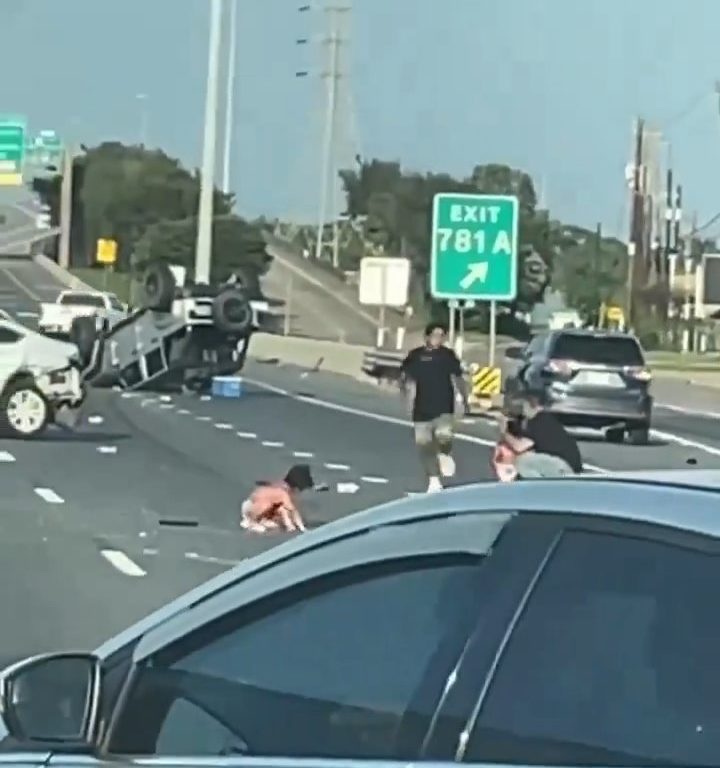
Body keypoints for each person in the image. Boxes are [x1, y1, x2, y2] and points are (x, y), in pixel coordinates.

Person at [400, 322, 467, 493]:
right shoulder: (416, 356)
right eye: (435, 335)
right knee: (424, 445)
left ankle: (445, 453)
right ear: (427, 337)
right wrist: (407, 399)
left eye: (441, 335)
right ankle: (434, 480)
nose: (438, 339)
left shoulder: (448, 355)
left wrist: (464, 399)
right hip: (421, 408)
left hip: (444, 405)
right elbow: (406, 379)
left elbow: (458, 378)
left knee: (444, 435)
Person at [500, 389, 583, 477]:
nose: (523, 410)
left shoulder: (538, 421)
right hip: (567, 467)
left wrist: (504, 431)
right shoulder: (547, 419)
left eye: (524, 406)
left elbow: (520, 447)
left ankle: (538, 488)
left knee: (522, 461)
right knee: (529, 459)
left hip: (562, 467)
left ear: (530, 405)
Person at [240, 464, 314, 533]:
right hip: (253, 509)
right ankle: (253, 522)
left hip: (248, 504)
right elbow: (293, 511)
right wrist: (302, 528)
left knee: (281, 508)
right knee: (279, 513)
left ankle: (287, 525)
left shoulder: (279, 487)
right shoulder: (283, 494)